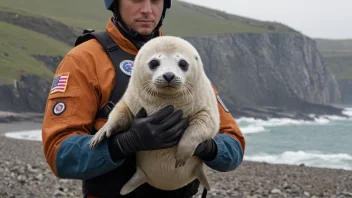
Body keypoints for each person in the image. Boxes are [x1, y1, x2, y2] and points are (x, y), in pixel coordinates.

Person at [41, 0, 246, 197]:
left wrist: (205, 145)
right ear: (115, 3)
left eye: (156, 0)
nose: (147, 10)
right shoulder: (85, 59)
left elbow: (234, 145)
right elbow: (59, 154)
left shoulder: (183, 59)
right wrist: (124, 143)